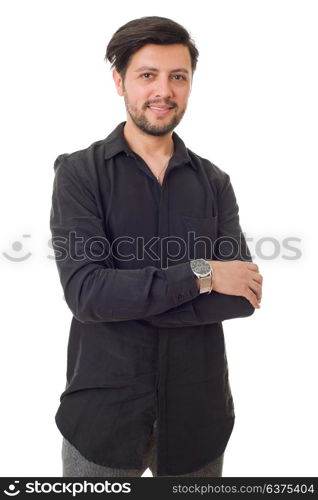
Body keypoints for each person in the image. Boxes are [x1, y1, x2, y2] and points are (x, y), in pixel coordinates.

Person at [50, 15, 263, 477]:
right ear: (119, 81)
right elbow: (87, 294)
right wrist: (203, 275)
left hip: (197, 422)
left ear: (189, 84)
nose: (163, 90)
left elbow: (243, 297)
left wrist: (126, 294)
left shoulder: (214, 182)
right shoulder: (80, 175)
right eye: (148, 75)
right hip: (103, 421)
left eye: (178, 77)